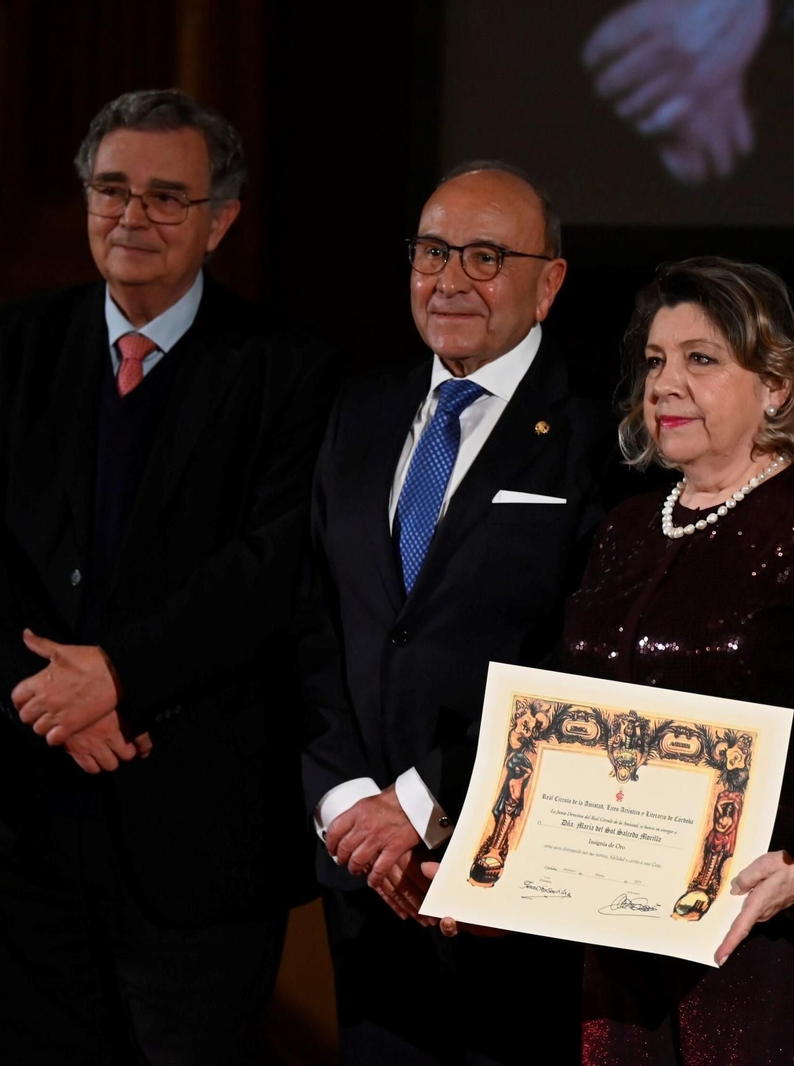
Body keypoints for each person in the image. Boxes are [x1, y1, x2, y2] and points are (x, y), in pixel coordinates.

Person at [0, 89, 332, 1064]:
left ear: (220, 219)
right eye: (111, 190)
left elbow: (266, 570)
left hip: (198, 836)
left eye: (165, 196)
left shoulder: (287, 367)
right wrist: (52, 697)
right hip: (18, 826)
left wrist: (116, 677)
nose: (131, 216)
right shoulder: (16, 343)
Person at [299, 160, 620, 1065]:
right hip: (364, 872)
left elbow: (581, 654)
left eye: (486, 257)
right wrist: (348, 801)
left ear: (548, 283)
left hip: (507, 874)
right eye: (433, 252)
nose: (450, 279)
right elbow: (312, 619)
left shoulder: (599, 433)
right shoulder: (360, 411)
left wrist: (426, 800)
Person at [560, 256, 794, 1065]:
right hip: (617, 928)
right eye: (655, 361)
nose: (665, 384)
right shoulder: (626, 527)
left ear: (776, 386)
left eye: (700, 359)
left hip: (764, 927)